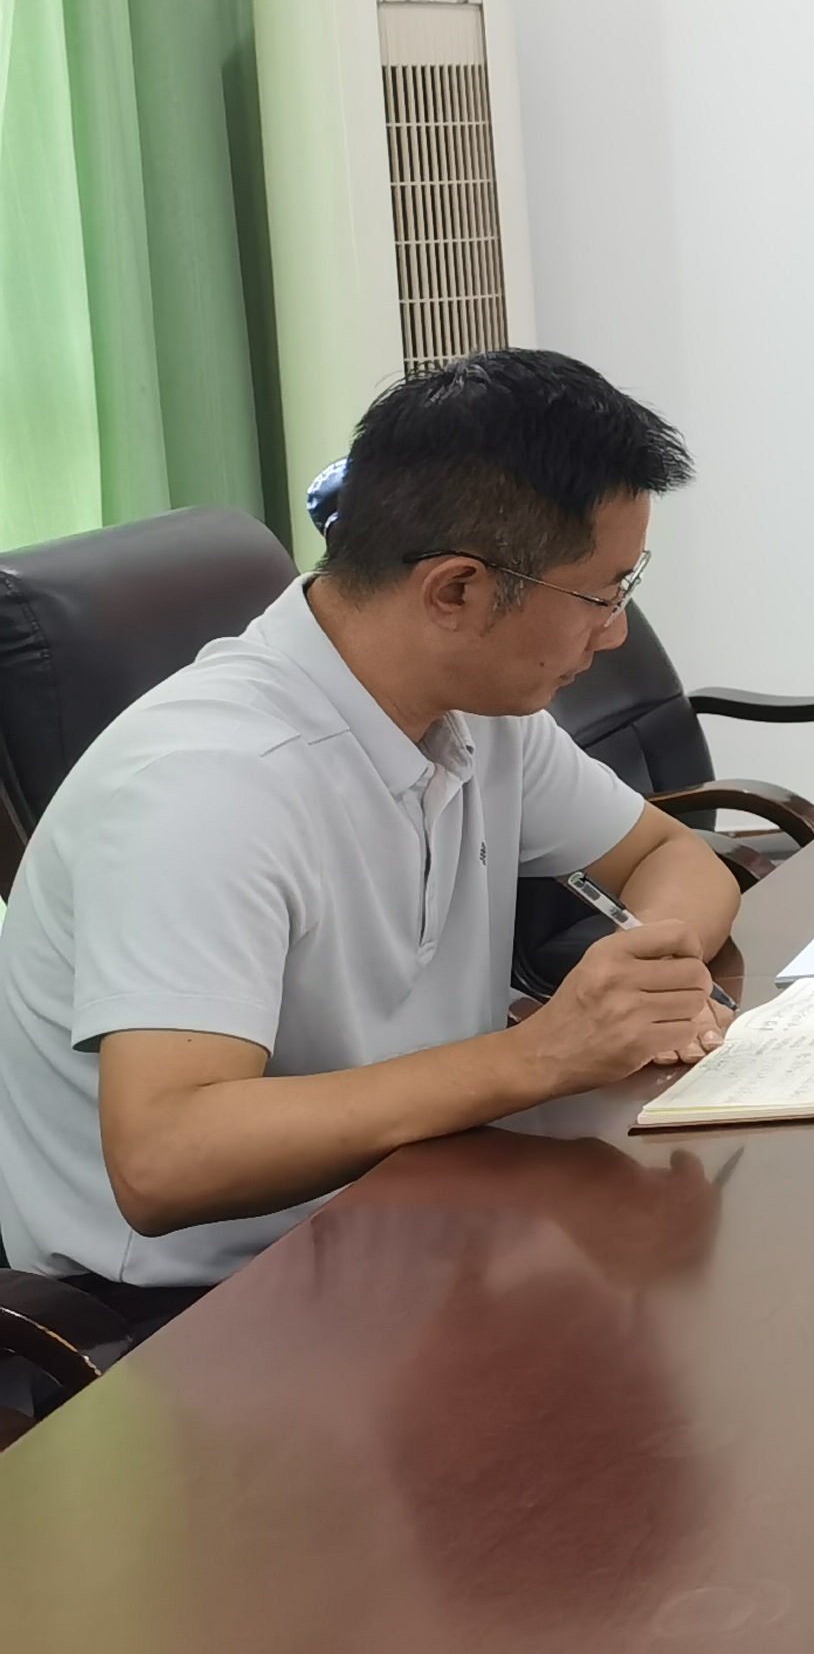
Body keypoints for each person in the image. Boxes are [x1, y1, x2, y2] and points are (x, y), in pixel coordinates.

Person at [0, 349, 741, 1294]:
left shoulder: (474, 707)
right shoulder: (208, 787)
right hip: (204, 1308)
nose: (617, 632)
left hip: (422, 1210)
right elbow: (165, 1158)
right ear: (456, 590)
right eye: (602, 595)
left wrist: (651, 968)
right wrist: (540, 1055)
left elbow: (668, 853)